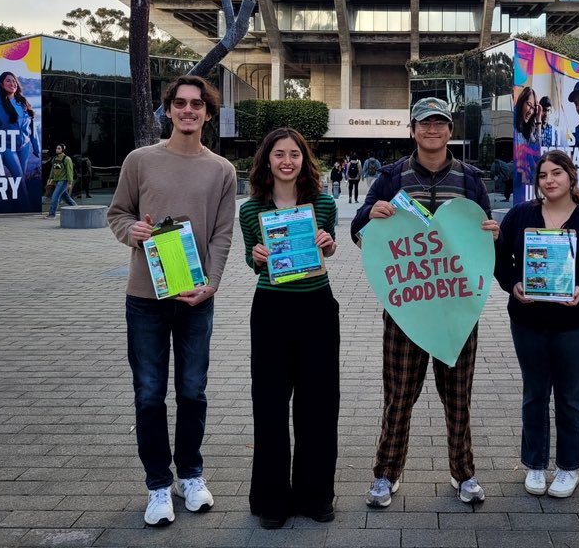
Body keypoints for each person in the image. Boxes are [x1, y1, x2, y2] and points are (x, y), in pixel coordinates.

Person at [350, 97, 500, 508]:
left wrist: (492, 234)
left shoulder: (470, 179)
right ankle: (385, 474)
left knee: (458, 398)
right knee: (398, 395)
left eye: (440, 123)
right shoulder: (391, 176)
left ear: (450, 131)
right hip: (406, 310)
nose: (432, 130)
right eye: (424, 124)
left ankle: (464, 473)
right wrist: (371, 216)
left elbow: (483, 238)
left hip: (456, 311)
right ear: (412, 130)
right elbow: (360, 230)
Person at [107, 75, 237, 528]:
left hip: (196, 298)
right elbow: (117, 213)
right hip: (145, 297)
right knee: (148, 395)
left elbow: (223, 234)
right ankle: (158, 484)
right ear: (168, 110)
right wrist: (132, 233)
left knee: (192, 391)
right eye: (179, 103)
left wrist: (213, 283)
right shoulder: (140, 161)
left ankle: (191, 475)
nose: (187, 111)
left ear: (207, 112)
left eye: (196, 104)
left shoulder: (222, 169)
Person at [494, 150, 579, 499]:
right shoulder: (520, 216)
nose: (549, 180)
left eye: (557, 174)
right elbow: (500, 260)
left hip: (574, 323)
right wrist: (512, 285)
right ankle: (535, 464)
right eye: (543, 175)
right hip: (527, 320)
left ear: (571, 177)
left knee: (568, 395)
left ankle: (567, 467)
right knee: (534, 394)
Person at [239, 128, 339, 529]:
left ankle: (316, 496)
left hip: (317, 307)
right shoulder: (250, 211)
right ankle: (272, 499)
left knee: (319, 404)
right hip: (271, 310)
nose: (286, 160)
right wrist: (257, 255)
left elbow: (327, 248)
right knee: (270, 407)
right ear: (266, 160)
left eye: (294, 154)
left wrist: (329, 245)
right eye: (278, 154)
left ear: (304, 160)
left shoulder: (324, 204)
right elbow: (253, 263)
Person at [0, 71, 40, 207]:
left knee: (19, 180)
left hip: (24, 147)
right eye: (8, 81)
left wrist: (36, 146)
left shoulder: (23, 102)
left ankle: (13, 206)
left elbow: (32, 126)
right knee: (20, 179)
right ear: (1, 84)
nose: (12, 83)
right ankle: (27, 208)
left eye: (14, 81)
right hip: (7, 147)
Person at [45, 143, 77, 218]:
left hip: (63, 181)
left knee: (55, 197)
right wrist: (50, 179)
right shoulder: (55, 159)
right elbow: (52, 170)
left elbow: (70, 171)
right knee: (67, 198)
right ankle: (77, 209)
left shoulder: (67, 159)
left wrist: (70, 182)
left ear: (63, 149)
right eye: (56, 148)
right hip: (56, 181)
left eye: (59, 148)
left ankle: (52, 214)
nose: (57, 150)